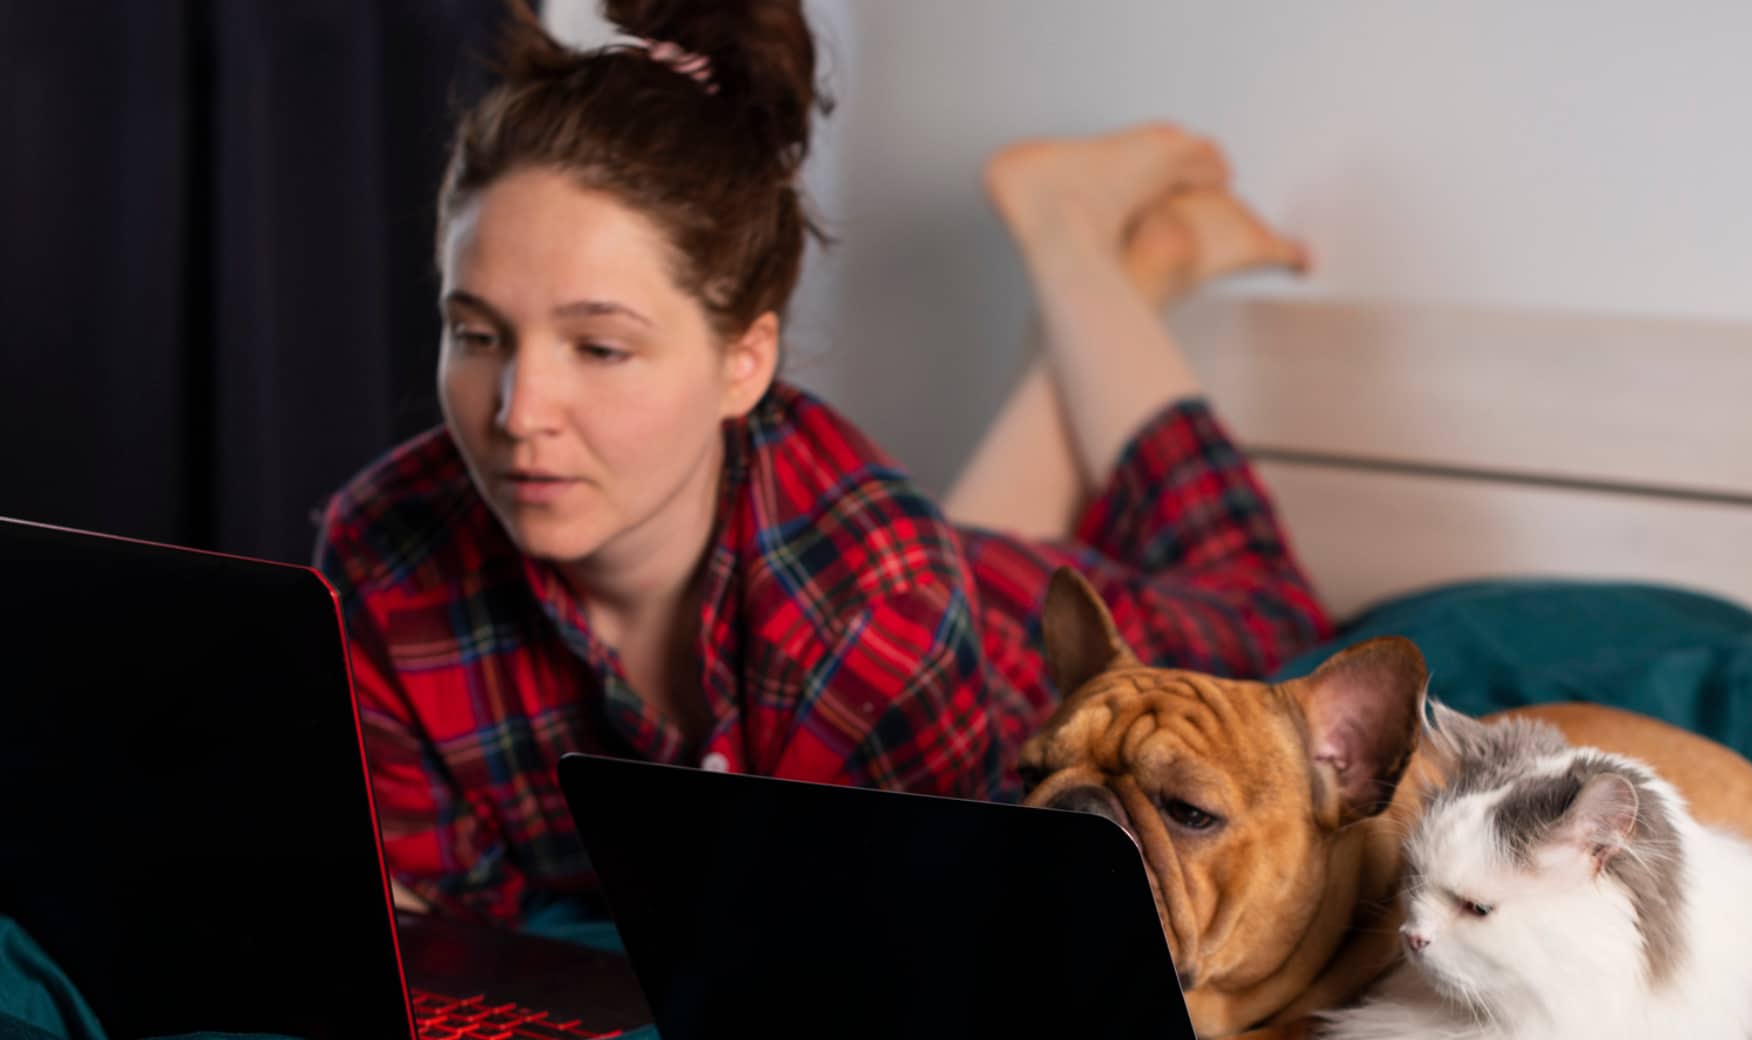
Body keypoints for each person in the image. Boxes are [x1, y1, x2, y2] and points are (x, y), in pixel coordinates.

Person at [313, 0, 1328, 924]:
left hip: (975, 615)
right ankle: (1135, 276)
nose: (517, 412)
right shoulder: (383, 548)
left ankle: (1077, 244)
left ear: (744, 361)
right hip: (898, 566)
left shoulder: (881, 610)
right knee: (943, 557)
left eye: (601, 347)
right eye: (478, 335)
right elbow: (435, 922)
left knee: (1279, 615)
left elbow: (890, 938)